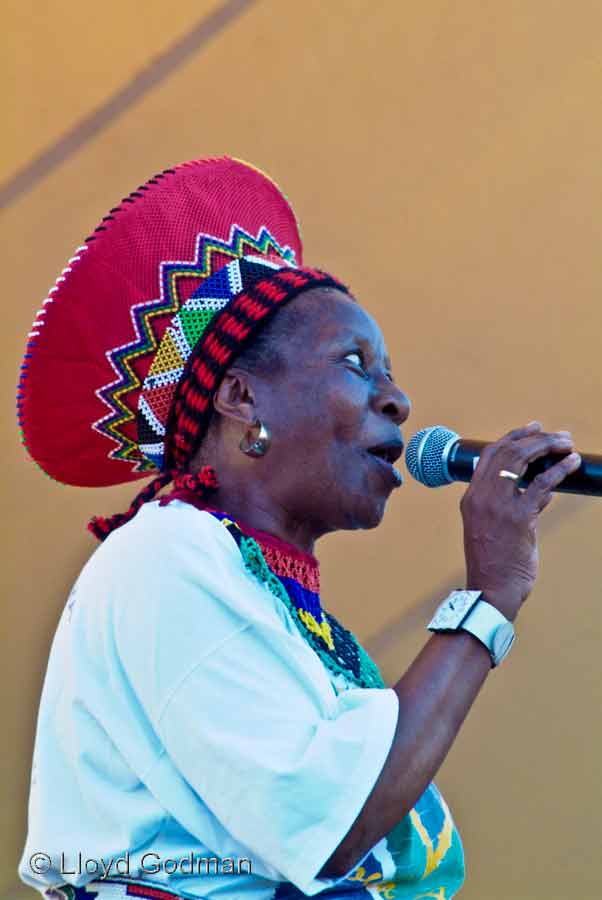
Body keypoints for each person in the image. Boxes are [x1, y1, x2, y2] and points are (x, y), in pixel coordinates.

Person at [16, 157, 581, 900]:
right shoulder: (165, 551)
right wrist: (490, 599)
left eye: (389, 373)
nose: (398, 400)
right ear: (242, 398)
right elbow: (331, 819)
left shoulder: (274, 606)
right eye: (357, 363)